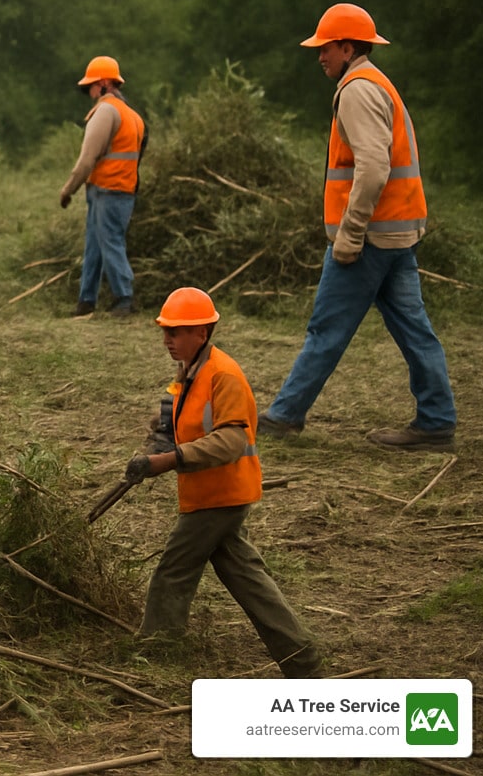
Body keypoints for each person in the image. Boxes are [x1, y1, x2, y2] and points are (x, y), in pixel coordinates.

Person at [258, 3, 456, 451]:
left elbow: (372, 168)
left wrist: (349, 233)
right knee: (415, 329)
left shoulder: (357, 90)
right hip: (396, 234)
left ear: (347, 47)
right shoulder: (375, 83)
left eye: (325, 48)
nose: (320, 56)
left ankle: (284, 415)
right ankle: (437, 421)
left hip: (369, 238)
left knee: (326, 329)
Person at [126, 287, 323, 678]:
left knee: (174, 570)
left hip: (221, 494)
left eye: (176, 332)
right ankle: (301, 658)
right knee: (244, 575)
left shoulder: (224, 375)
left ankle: (155, 656)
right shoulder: (190, 371)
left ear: (202, 332)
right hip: (210, 492)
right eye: (165, 331)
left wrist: (169, 459)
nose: (168, 340)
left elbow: (232, 441)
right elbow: (174, 416)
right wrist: (157, 441)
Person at [59, 55, 145, 317]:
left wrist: (68, 190)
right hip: (123, 189)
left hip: (107, 190)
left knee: (109, 243)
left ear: (105, 83)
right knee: (95, 245)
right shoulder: (133, 116)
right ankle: (86, 301)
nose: (89, 92)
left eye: (91, 87)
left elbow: (86, 161)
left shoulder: (106, 111)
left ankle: (124, 299)